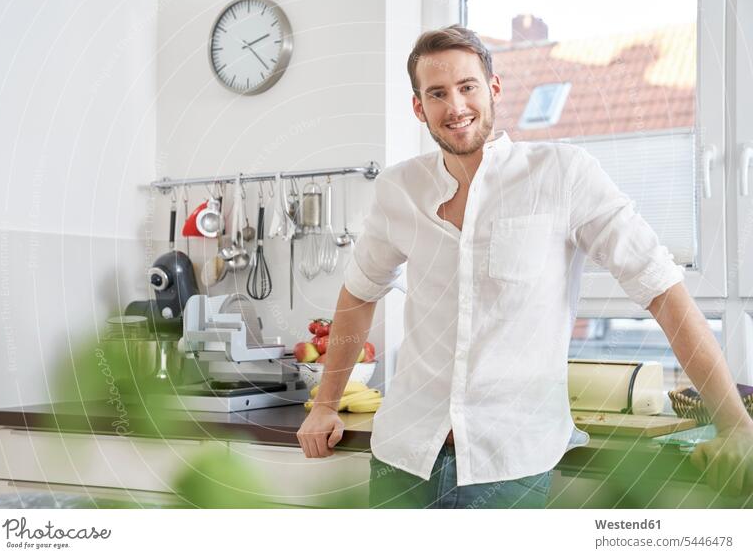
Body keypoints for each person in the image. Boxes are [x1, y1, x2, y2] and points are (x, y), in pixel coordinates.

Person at [296, 25, 753, 508]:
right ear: (418, 107)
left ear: (493, 88)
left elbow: (663, 291)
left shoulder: (564, 174)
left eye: (468, 86)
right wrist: (326, 403)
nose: (455, 107)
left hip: (509, 466)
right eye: (437, 93)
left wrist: (735, 425)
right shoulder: (398, 189)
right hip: (402, 457)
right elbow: (359, 292)